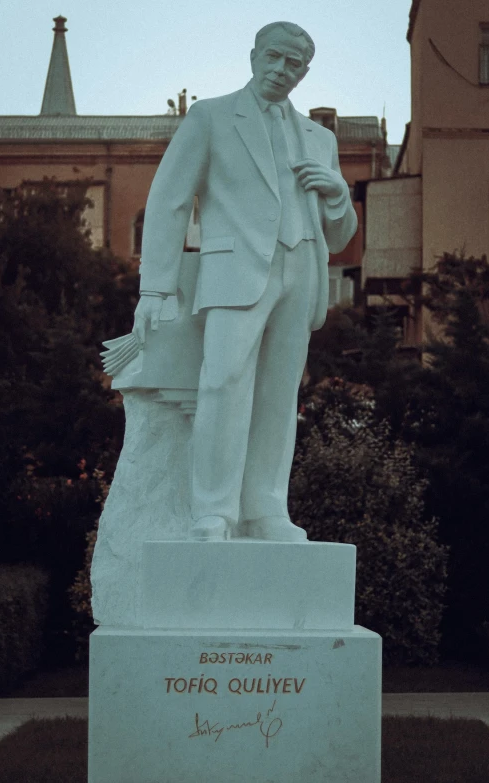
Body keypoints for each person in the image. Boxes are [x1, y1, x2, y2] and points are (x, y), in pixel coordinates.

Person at [133, 21, 358, 542]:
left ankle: (264, 510)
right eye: (274, 58)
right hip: (234, 271)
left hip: (301, 270)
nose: (281, 71)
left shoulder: (319, 139)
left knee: (280, 395)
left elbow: (342, 235)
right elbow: (168, 201)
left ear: (305, 72)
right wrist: (154, 288)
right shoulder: (210, 117)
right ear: (255, 54)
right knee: (223, 384)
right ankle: (213, 510)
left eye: (294, 64)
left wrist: (338, 193)